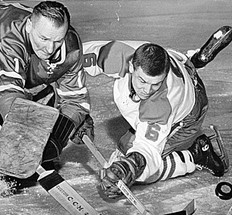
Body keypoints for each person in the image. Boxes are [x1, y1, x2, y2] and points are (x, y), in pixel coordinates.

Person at [0, 1, 94, 207]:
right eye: (44, 38)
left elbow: (76, 101)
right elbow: (7, 93)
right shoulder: (9, 38)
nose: (50, 48)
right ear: (29, 26)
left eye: (57, 40)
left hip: (16, 51)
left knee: (42, 100)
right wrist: (28, 137)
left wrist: (55, 139)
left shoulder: (70, 48)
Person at [82, 26, 232, 199]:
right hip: (180, 68)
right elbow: (72, 58)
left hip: (187, 115)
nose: (147, 90)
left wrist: (132, 165)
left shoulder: (159, 105)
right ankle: (192, 61)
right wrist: (75, 105)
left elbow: (148, 150)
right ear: (131, 65)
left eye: (155, 84)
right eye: (142, 81)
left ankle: (197, 154)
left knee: (134, 168)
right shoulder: (118, 54)